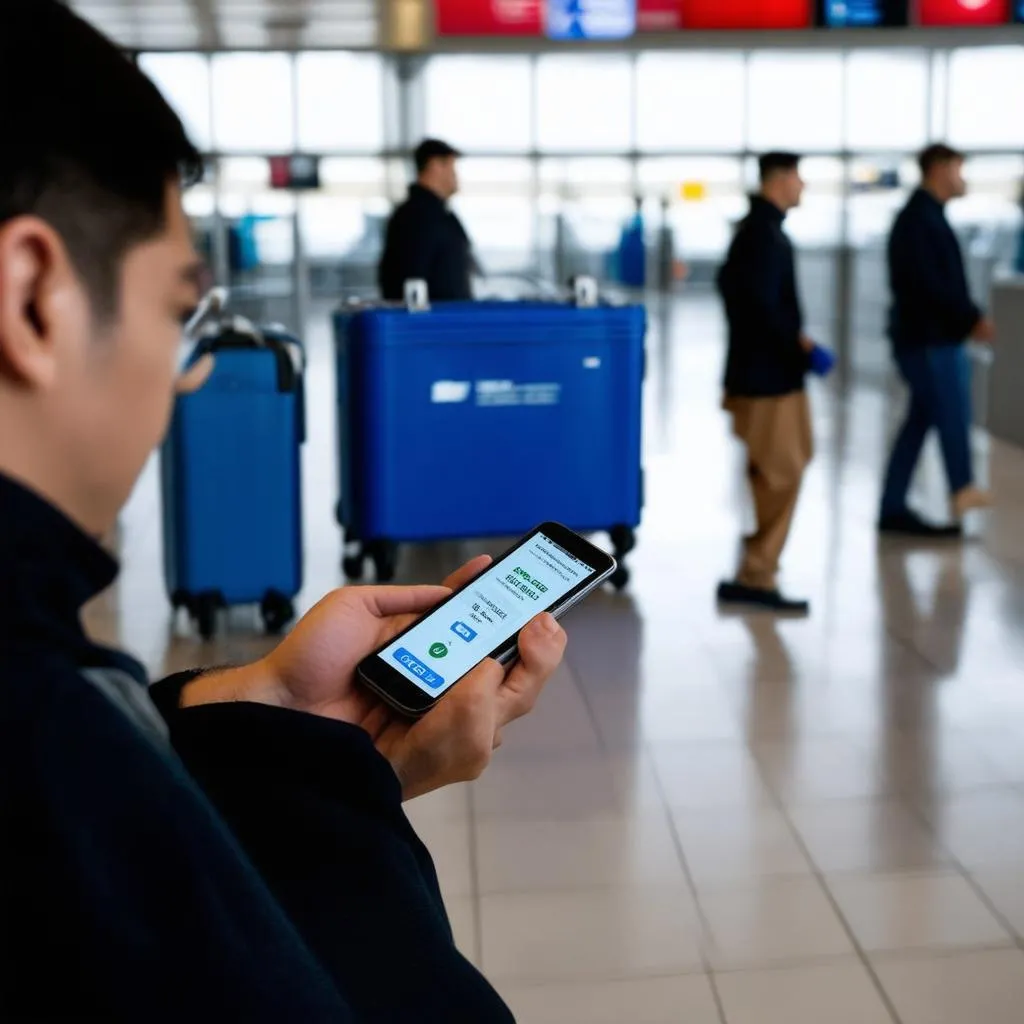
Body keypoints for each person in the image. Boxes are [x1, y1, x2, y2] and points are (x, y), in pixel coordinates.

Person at [0, 5, 567, 1020]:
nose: (181, 380)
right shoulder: (40, 727)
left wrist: (256, 704)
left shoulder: (57, 683)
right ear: (35, 295)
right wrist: (360, 787)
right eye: (179, 315)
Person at [878, 143, 995, 538]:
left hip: (930, 336)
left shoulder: (925, 217)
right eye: (959, 169)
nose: (962, 178)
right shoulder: (919, 220)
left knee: (922, 418)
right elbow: (932, 286)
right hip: (929, 340)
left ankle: (893, 505)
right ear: (940, 169)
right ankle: (961, 487)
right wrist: (970, 318)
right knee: (949, 411)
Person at [715, 152, 815, 614]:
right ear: (779, 179)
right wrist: (797, 343)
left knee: (777, 471)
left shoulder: (757, 231)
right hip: (769, 379)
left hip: (764, 374)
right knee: (782, 473)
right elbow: (758, 307)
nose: (803, 186)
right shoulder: (763, 235)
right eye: (798, 177)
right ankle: (756, 574)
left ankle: (757, 565)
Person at [378, 139, 474, 302]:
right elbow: (408, 279)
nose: (456, 175)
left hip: (447, 319)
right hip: (433, 323)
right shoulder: (416, 216)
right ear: (435, 166)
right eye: (452, 167)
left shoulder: (438, 213)